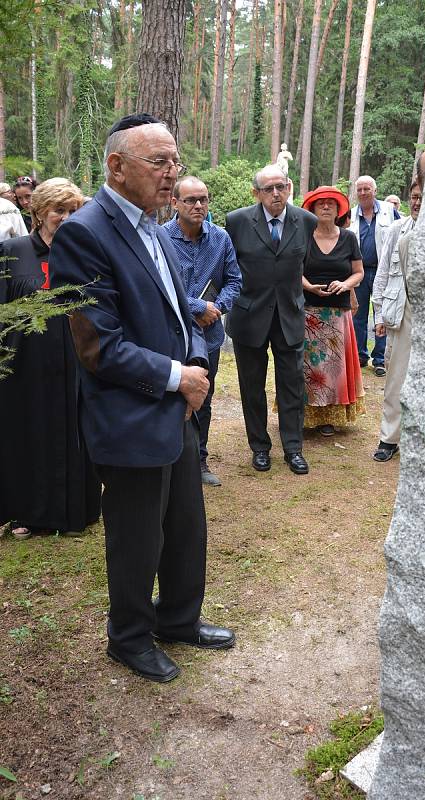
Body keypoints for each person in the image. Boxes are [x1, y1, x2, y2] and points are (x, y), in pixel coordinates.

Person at [50, 113, 235, 683]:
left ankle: (178, 619)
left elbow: (181, 311)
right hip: (129, 414)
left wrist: (197, 364)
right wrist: (177, 376)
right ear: (117, 166)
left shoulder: (151, 225)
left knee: (184, 523)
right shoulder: (86, 232)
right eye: (159, 162)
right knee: (136, 535)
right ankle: (129, 637)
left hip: (174, 404)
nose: (171, 174)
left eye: (174, 161)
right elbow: (97, 347)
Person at [0, 178, 101, 539]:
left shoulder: (85, 254)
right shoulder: (11, 251)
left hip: (76, 362)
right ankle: (26, 512)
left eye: (74, 210)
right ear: (39, 211)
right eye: (59, 210)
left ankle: (78, 512)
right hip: (25, 366)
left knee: (76, 433)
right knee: (28, 434)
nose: (67, 217)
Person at [226, 164, 316, 475]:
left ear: (289, 187)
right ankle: (260, 447)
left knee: (291, 384)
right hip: (249, 316)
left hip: (289, 315)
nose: (276, 193)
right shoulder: (237, 222)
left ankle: (293, 448)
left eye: (281, 186)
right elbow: (228, 268)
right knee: (252, 385)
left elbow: (305, 266)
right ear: (257, 193)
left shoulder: (306, 221)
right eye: (268, 188)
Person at [163, 175, 242, 487]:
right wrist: (198, 307)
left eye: (203, 199)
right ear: (175, 203)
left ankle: (200, 460)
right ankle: (169, 460)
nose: (198, 205)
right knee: (170, 394)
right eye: (190, 200)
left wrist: (218, 308)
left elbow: (235, 280)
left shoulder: (220, 239)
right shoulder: (160, 238)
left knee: (203, 397)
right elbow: (159, 285)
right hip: (171, 333)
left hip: (208, 336)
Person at [300, 186, 365, 436]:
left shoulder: (349, 238)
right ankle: (307, 415)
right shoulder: (304, 237)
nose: (326, 207)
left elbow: (358, 272)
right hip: (308, 312)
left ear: (339, 210)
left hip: (338, 313)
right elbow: (294, 270)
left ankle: (328, 418)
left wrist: (345, 284)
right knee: (310, 367)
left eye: (331, 203)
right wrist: (309, 287)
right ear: (313, 209)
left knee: (333, 368)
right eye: (320, 203)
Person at [371, 180, 422, 461]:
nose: (416, 203)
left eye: (422, 197)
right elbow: (381, 274)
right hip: (400, 313)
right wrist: (379, 314)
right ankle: (389, 438)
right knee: (395, 379)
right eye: (414, 197)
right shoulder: (396, 230)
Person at [349, 175, 400, 376]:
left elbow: (400, 233)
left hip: (384, 271)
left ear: (375, 191)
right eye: (359, 189)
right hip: (359, 271)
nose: (363, 193)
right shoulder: (351, 214)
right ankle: (360, 356)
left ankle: (379, 359)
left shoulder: (390, 211)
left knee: (383, 313)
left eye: (366, 189)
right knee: (358, 315)